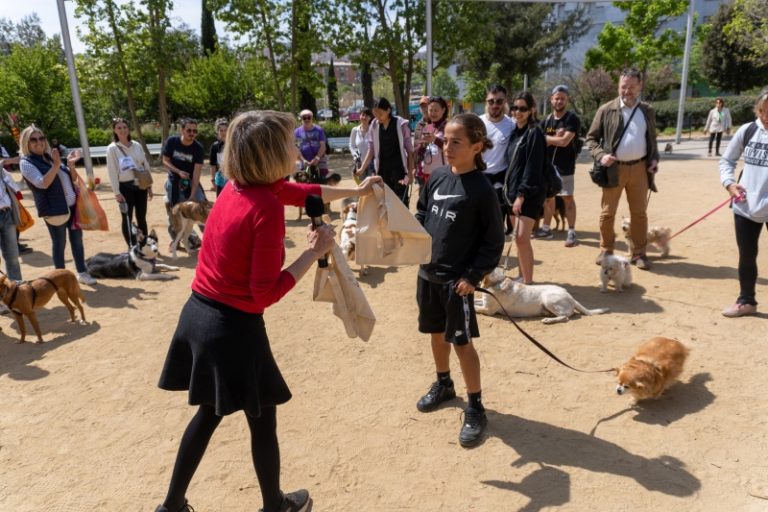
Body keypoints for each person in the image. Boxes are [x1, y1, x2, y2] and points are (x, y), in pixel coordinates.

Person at [154, 110, 383, 512]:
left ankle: (171, 507)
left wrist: (357, 190)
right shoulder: (266, 207)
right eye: (289, 143)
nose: (296, 148)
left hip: (198, 315)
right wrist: (314, 251)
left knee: (209, 414)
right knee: (261, 420)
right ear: (272, 153)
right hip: (233, 328)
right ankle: (274, 507)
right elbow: (263, 295)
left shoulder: (238, 188)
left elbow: (305, 192)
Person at [414, 112, 504, 448]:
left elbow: (493, 242)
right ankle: (444, 383)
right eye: (445, 141)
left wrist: (472, 275)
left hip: (457, 283)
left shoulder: (482, 190)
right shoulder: (437, 176)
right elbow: (423, 212)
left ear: (477, 147)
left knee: (462, 344)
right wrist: (411, 234)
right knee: (436, 334)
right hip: (428, 274)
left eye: (456, 142)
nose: (447, 148)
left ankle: (476, 406)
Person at [586, 68, 660, 271]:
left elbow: (652, 139)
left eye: (631, 87)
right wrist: (601, 156)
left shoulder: (647, 110)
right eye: (623, 87)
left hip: (640, 169)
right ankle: (606, 250)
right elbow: (591, 139)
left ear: (640, 86)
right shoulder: (606, 109)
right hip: (614, 170)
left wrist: (654, 159)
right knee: (608, 213)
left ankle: (639, 253)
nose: (627, 91)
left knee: (639, 214)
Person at [18, 126, 97, 286]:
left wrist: (71, 165)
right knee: (59, 244)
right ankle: (60, 279)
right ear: (26, 142)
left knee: (77, 241)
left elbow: (72, 179)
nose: (39, 142)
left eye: (41, 138)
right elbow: (42, 183)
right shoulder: (26, 162)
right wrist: (56, 165)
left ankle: (82, 273)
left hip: (72, 206)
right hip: (54, 210)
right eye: (34, 139)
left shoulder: (49, 156)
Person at [719, 91, 768, 317]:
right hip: (745, 206)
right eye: (762, 111)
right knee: (746, 255)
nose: (765, 117)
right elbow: (727, 160)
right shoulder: (747, 130)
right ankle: (746, 301)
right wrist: (729, 184)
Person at [503, 91, 547, 284]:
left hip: (529, 193)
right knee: (518, 239)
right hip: (513, 193)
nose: (517, 112)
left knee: (521, 238)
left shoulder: (534, 132)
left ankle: (527, 283)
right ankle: (522, 277)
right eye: (515, 108)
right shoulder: (514, 133)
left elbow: (533, 166)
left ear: (532, 110)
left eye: (523, 108)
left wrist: (521, 195)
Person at [536, 84, 581, 247]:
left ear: (567, 100)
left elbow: (564, 142)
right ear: (551, 99)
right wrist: (554, 136)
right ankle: (546, 228)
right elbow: (538, 141)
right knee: (549, 198)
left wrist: (548, 139)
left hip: (565, 166)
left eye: (562, 98)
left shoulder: (571, 119)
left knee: (567, 198)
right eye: (557, 98)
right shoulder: (546, 120)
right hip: (547, 167)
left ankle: (571, 231)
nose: (559, 101)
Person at [356, 97, 415, 205]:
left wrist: (410, 172)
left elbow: (410, 150)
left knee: (402, 202)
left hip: (400, 172)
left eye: (380, 114)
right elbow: (371, 150)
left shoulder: (401, 124)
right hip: (382, 173)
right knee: (385, 202)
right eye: (375, 114)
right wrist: (362, 168)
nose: (378, 117)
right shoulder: (374, 126)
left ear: (388, 110)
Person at [106, 118, 153, 248]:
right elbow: (112, 171)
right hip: (124, 187)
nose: (122, 130)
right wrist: (116, 192)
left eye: (125, 127)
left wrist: (149, 185)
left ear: (128, 128)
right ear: (114, 130)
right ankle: (132, 246)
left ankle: (144, 245)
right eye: (119, 127)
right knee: (127, 218)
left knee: (141, 217)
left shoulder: (136, 145)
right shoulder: (112, 149)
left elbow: (145, 165)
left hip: (141, 185)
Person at [163, 118, 205, 246]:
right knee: (175, 211)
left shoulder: (198, 148)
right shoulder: (172, 142)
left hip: (191, 182)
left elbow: (196, 174)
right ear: (182, 130)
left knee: (201, 209)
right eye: (189, 130)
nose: (192, 133)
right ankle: (176, 240)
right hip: (174, 181)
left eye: (195, 131)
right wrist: (178, 172)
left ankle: (210, 239)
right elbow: (165, 160)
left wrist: (192, 196)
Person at [480, 84, 515, 234]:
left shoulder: (512, 125)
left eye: (499, 101)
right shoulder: (477, 123)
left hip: (501, 181)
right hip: (479, 178)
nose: (495, 105)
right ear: (486, 101)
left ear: (505, 101)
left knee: (497, 225)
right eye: (491, 101)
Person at [415, 96, 449, 182]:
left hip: (443, 174)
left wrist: (435, 140)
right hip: (427, 173)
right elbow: (421, 151)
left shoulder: (448, 126)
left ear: (443, 110)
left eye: (436, 110)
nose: (433, 113)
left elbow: (450, 148)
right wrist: (422, 145)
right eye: (430, 110)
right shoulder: (428, 126)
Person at [294, 110, 328, 180]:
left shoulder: (319, 130)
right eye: (304, 118)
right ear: (301, 118)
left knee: (322, 181)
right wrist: (303, 160)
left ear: (312, 118)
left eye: (309, 117)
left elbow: (323, 146)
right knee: (304, 181)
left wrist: (317, 158)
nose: (307, 119)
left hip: (319, 160)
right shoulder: (297, 132)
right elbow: (296, 147)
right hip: (304, 161)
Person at [348, 108, 374, 184]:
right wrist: (355, 156)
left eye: (367, 115)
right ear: (360, 116)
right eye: (363, 115)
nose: (364, 117)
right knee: (362, 184)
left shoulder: (373, 130)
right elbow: (351, 145)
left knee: (372, 185)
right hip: (359, 163)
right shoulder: (355, 130)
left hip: (372, 163)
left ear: (370, 117)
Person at [209, 118, 228, 197]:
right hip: (220, 178)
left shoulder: (234, 144)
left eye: (225, 130)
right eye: (221, 130)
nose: (223, 133)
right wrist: (213, 180)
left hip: (233, 178)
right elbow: (212, 165)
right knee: (220, 200)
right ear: (218, 132)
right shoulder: (215, 146)